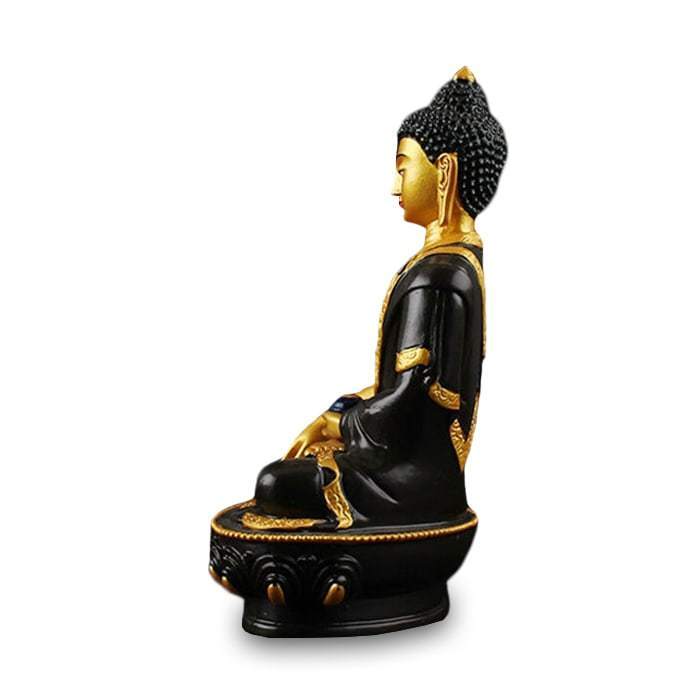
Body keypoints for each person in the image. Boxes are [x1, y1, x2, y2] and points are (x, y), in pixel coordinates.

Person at [243, 67, 507, 531]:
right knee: (290, 472)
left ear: (444, 171)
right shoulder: (452, 263)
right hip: (411, 466)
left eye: (404, 168)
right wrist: (339, 409)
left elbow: (408, 403)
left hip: (407, 482)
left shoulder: (439, 277)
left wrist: (338, 425)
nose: (394, 186)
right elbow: (396, 390)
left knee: (274, 484)